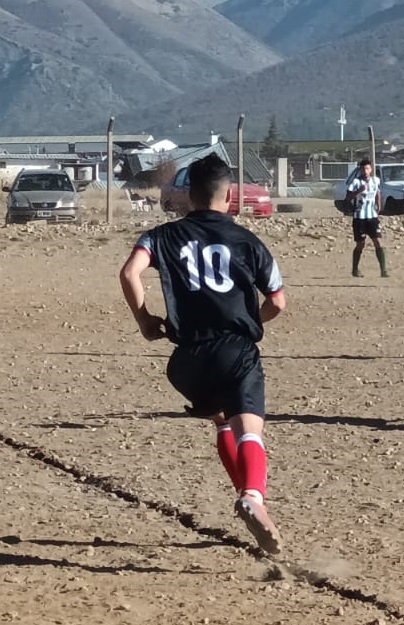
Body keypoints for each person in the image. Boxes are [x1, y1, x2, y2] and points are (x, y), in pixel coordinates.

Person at [119, 154, 287, 554]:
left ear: (188, 195)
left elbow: (129, 273)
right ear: (229, 197)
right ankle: (254, 497)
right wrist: (253, 322)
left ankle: (246, 495)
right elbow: (278, 301)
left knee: (222, 424)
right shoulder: (248, 240)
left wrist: (144, 321)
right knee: (250, 429)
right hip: (235, 350)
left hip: (186, 362)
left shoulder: (160, 236)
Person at [347, 158, 388, 277]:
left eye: (367, 168)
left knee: (378, 241)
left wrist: (379, 205)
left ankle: (383, 270)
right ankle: (355, 270)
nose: (365, 171)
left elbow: (378, 192)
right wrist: (358, 191)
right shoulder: (356, 182)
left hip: (372, 216)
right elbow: (348, 197)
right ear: (360, 170)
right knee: (361, 244)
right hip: (359, 217)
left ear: (371, 169)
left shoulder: (375, 180)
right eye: (363, 168)